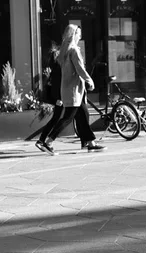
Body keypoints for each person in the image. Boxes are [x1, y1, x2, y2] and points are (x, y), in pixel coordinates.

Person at [37, 24, 105, 155]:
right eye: (78, 33)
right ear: (73, 35)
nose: (80, 36)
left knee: (83, 116)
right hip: (74, 92)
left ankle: (91, 143)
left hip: (70, 90)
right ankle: (48, 142)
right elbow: (80, 69)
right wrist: (89, 80)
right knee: (67, 118)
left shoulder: (65, 51)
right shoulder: (73, 50)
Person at [35, 45, 64, 152]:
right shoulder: (58, 69)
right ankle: (43, 141)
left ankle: (41, 140)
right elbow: (57, 86)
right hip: (59, 99)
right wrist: (59, 98)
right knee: (57, 119)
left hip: (57, 98)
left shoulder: (55, 68)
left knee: (55, 119)